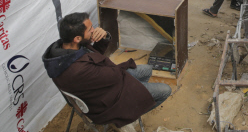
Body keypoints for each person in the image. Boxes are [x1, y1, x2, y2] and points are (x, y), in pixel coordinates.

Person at [42, 13, 171, 129]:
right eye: (90, 29)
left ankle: (137, 104)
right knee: (165, 90)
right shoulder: (78, 69)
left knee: (147, 69)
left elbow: (95, 56)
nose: (94, 30)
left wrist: (104, 36)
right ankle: (128, 116)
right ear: (77, 38)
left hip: (102, 86)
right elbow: (114, 75)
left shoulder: (66, 49)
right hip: (105, 103)